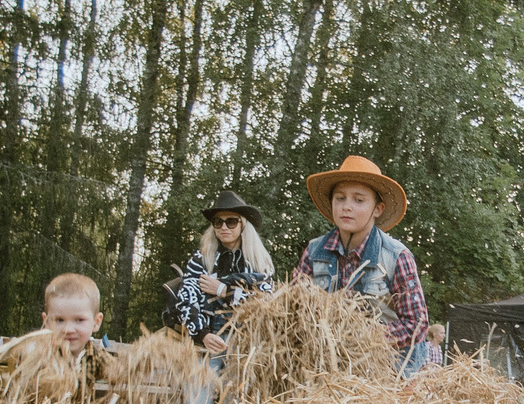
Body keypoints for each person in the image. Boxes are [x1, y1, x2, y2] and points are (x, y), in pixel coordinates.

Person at [295, 155, 428, 366]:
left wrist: (362, 340)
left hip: (388, 368)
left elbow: (416, 324)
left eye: (358, 200)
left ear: (378, 209)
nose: (346, 207)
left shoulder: (396, 255)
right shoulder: (314, 252)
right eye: (340, 198)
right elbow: (294, 308)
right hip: (326, 365)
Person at [167, 188, 274, 356]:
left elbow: (267, 303)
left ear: (242, 224)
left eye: (231, 221)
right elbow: (187, 299)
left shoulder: (258, 263)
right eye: (218, 222)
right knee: (204, 382)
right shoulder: (201, 259)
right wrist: (203, 334)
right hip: (211, 339)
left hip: (250, 341)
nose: (224, 227)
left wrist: (223, 291)